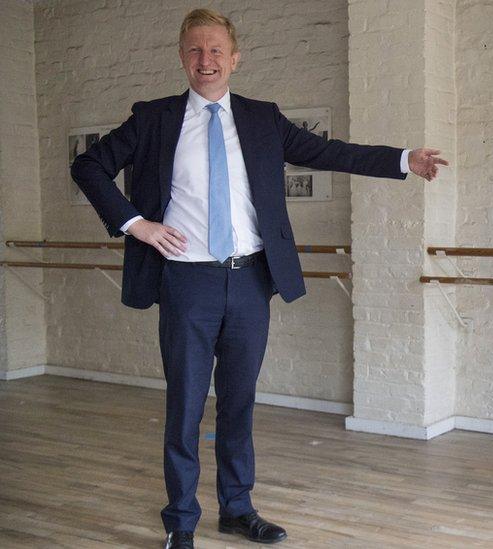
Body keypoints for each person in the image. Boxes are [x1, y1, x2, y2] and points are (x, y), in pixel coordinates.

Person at [71, 8, 447, 549]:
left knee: (239, 402)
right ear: (182, 57)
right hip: (186, 282)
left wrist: (405, 159)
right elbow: (88, 166)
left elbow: (328, 151)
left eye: (217, 50)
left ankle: (237, 508)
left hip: (249, 281)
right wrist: (137, 224)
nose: (207, 61)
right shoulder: (153, 118)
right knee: (184, 404)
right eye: (196, 50)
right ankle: (180, 522)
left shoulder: (261, 117)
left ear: (235, 58)